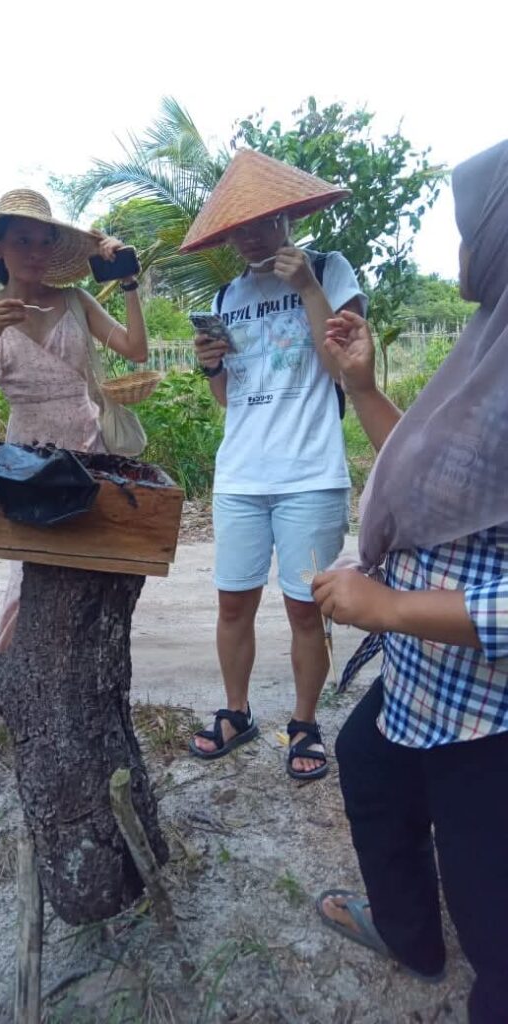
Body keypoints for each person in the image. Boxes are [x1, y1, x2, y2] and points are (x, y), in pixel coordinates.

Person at [312, 140, 508, 1023]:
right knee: (367, 761)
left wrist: (388, 605)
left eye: (470, 227)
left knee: (490, 901)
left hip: (488, 711)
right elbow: (446, 488)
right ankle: (409, 937)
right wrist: (362, 387)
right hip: (429, 677)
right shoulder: (490, 343)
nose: (460, 249)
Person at [182, 150, 366, 779]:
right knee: (233, 603)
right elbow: (228, 398)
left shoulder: (330, 269)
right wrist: (211, 363)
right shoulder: (228, 294)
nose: (252, 237)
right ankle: (236, 713)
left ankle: (305, 723)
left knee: (305, 609)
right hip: (241, 473)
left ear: (289, 215)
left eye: (263, 221)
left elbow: (341, 366)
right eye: (239, 228)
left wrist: (309, 288)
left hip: (310, 472)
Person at [0, 189, 148, 657]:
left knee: (88, 569)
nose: (36, 253)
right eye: (23, 241)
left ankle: (80, 673)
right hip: (25, 457)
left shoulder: (74, 300)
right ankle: (12, 670)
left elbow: (135, 350)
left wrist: (128, 282)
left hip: (87, 448)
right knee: (28, 573)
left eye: (44, 242)